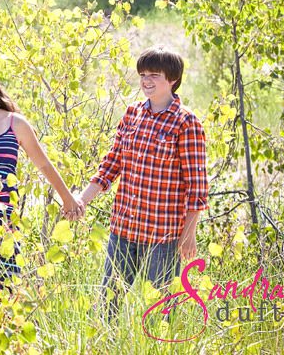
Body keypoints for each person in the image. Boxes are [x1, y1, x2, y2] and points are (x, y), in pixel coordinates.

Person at [76, 46, 208, 317]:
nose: (146, 80)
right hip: (124, 228)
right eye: (143, 74)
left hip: (162, 235)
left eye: (155, 75)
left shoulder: (186, 123)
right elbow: (111, 165)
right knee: (108, 306)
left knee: (161, 311)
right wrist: (81, 200)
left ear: (172, 79)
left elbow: (197, 186)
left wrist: (189, 235)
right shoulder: (132, 113)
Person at [0, 64, 84, 279]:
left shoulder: (15, 123)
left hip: (4, 219)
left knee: (5, 287)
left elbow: (44, 165)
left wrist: (67, 197)